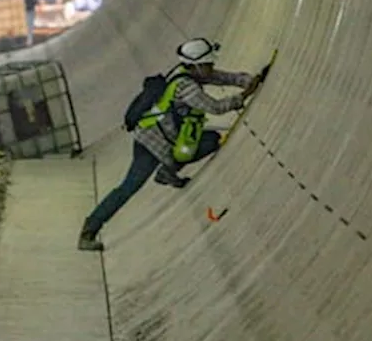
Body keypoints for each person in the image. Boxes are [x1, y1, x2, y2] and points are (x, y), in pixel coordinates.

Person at [77, 37, 264, 251]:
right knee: (129, 187)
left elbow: (219, 77)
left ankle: (168, 171)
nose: (211, 67)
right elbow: (216, 107)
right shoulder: (186, 87)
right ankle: (89, 229)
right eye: (208, 64)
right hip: (153, 143)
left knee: (207, 140)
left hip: (156, 134)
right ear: (196, 65)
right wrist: (244, 95)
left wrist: (247, 80)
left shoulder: (184, 72)